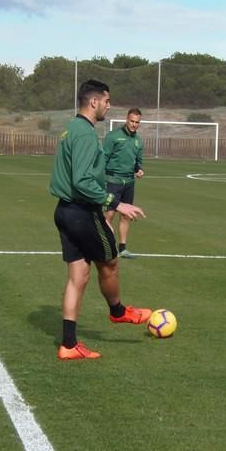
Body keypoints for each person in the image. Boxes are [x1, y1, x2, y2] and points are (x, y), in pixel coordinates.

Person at [49, 80, 152, 360]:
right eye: (107, 101)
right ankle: (118, 311)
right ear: (94, 102)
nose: (109, 105)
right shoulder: (83, 133)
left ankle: (69, 345)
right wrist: (116, 204)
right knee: (110, 262)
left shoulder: (72, 128)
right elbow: (81, 180)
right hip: (82, 212)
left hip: (65, 211)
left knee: (78, 277)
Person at [103, 108, 145, 259]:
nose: (134, 124)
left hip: (129, 182)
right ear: (126, 120)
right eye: (132, 121)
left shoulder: (138, 141)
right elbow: (103, 158)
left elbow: (138, 163)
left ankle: (123, 248)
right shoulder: (113, 137)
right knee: (109, 214)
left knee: (126, 215)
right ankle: (107, 247)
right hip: (113, 180)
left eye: (137, 122)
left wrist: (139, 170)